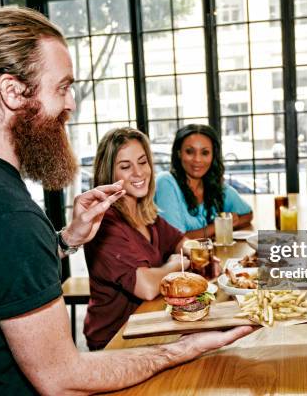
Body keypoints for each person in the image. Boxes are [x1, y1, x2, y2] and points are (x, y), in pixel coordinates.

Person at [0, 7, 252, 395]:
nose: (71, 104)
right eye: (62, 88)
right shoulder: (8, 216)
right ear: (12, 92)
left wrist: (65, 240)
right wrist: (180, 349)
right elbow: (63, 380)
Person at [84, 127, 220, 350]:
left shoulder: (146, 213)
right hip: (116, 339)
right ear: (109, 174)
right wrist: (176, 265)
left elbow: (180, 240)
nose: (138, 173)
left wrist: (199, 255)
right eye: (126, 167)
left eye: (143, 162)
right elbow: (146, 286)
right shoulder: (105, 222)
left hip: (151, 322)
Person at [154, 124, 253, 238]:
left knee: (271, 246)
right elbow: (175, 240)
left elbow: (247, 214)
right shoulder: (165, 182)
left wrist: (228, 223)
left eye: (205, 153)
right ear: (179, 153)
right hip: (179, 256)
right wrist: (219, 226)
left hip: (215, 255)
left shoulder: (214, 186)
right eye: (189, 151)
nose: (197, 159)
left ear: (213, 156)